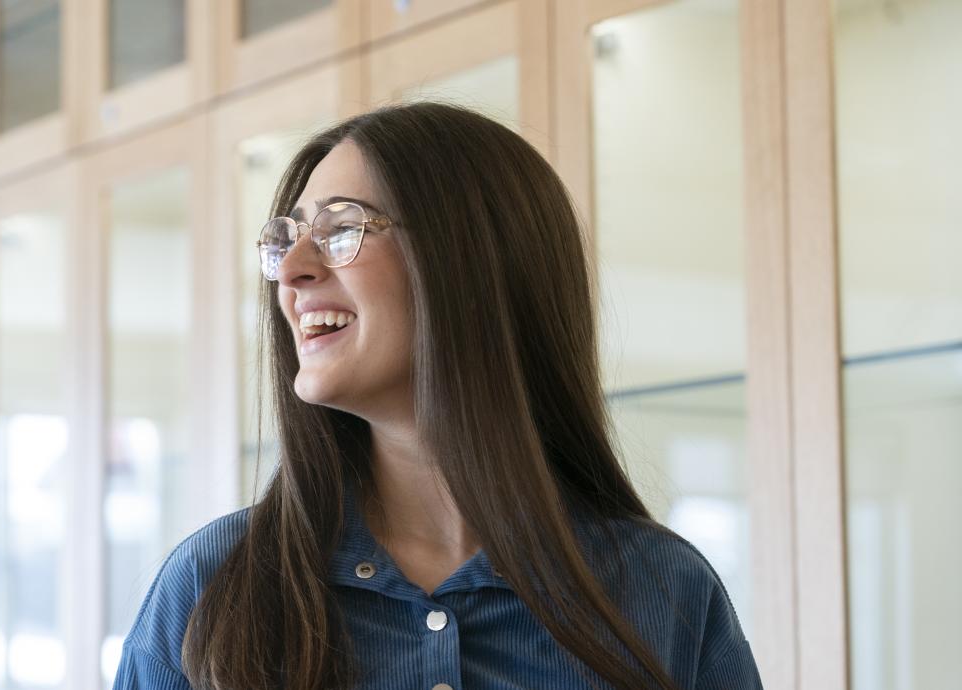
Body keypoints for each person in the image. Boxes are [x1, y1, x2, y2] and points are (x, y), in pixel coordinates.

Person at [112, 102, 763, 690]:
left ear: (473, 259)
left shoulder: (663, 589)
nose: (291, 270)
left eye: (342, 228)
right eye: (284, 240)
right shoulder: (212, 584)